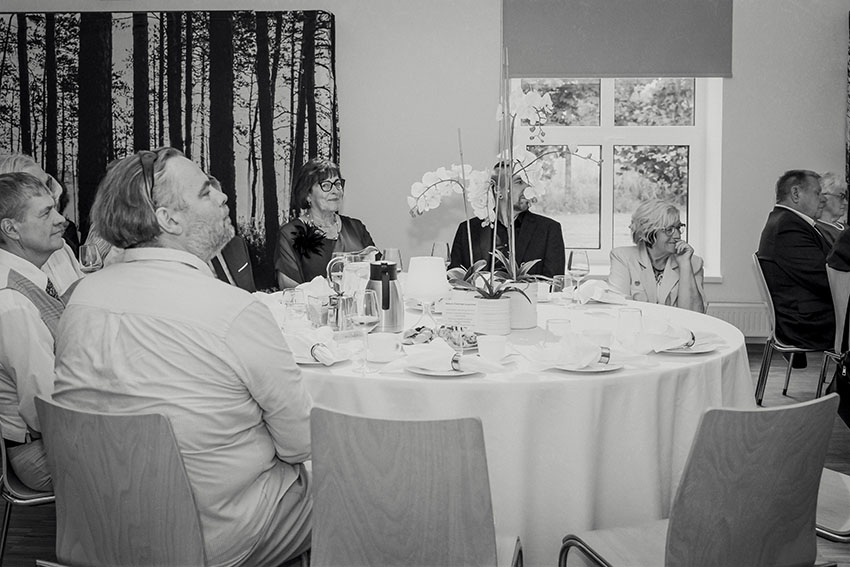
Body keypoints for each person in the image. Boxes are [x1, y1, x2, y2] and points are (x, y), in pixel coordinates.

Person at [53, 148, 313, 567]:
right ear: (169, 219)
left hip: (101, 529)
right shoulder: (233, 311)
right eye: (207, 191)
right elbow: (301, 442)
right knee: (348, 482)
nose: (224, 196)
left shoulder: (83, 298)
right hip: (212, 539)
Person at [0, 172, 67, 491]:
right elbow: (46, 409)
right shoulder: (13, 303)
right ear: (11, 229)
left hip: (52, 439)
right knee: (164, 453)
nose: (61, 220)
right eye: (46, 213)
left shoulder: (26, 278)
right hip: (40, 454)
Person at [757, 169, 833, 367]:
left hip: (806, 315)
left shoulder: (784, 221)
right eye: (817, 193)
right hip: (805, 323)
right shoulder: (788, 227)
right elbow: (827, 279)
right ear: (796, 193)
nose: (823, 199)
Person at [448, 165, 565, 277]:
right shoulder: (468, 230)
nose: (528, 188)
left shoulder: (548, 230)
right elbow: (454, 278)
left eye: (529, 183)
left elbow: (555, 284)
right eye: (519, 182)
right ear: (498, 190)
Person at [275, 158, 375, 288]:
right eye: (326, 185)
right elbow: (290, 288)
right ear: (308, 194)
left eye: (337, 184)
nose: (335, 191)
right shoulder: (291, 234)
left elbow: (378, 274)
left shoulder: (356, 227)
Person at [0, 154, 83, 294]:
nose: (48, 193)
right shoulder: (7, 292)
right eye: (32, 186)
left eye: (47, 184)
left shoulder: (60, 248)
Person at [608, 199, 706, 313]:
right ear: (648, 232)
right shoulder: (622, 257)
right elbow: (618, 308)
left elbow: (695, 314)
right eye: (669, 230)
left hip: (677, 325)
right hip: (636, 323)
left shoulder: (693, 262)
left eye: (678, 228)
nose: (677, 235)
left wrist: (685, 265)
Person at [815, 171, 848, 246]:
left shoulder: (846, 227)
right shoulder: (816, 230)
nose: (845, 202)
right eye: (841, 196)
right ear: (824, 196)